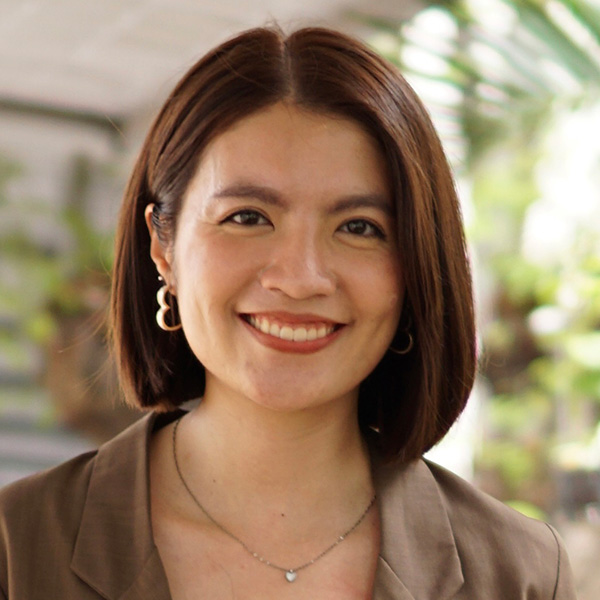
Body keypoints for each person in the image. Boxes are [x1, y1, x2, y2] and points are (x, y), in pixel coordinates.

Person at [0, 25, 576, 599]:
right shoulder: (17, 546)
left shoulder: (518, 572)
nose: (300, 279)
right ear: (163, 248)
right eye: (247, 217)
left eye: (358, 228)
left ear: (414, 269)